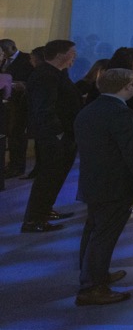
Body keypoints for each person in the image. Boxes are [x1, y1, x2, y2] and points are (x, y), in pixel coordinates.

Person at [73, 68, 133, 306]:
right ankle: (92, 286)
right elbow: (132, 149)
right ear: (128, 87)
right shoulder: (121, 113)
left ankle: (93, 275)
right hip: (115, 183)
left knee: (94, 230)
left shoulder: (88, 110)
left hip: (93, 181)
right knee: (104, 235)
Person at [22, 39, 80, 233]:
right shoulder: (45, 75)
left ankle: (44, 211)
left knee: (55, 176)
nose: (75, 56)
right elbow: (44, 108)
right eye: (72, 53)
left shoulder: (56, 73)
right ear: (60, 55)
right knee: (48, 177)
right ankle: (34, 219)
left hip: (62, 134)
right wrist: (59, 133)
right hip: (54, 136)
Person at [1, 38, 34, 177]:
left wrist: (24, 85)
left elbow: (34, 79)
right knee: (7, 134)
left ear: (12, 48)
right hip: (4, 103)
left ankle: (17, 166)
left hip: (19, 103)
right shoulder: (3, 60)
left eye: (4, 50)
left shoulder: (27, 59)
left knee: (17, 135)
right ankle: (9, 164)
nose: (3, 53)